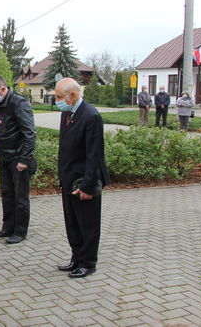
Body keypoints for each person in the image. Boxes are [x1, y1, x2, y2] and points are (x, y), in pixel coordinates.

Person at [55, 78, 110, 278]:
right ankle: (76, 258)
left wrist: (88, 186)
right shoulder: (67, 113)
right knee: (73, 223)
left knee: (88, 224)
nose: (57, 100)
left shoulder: (91, 116)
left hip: (84, 181)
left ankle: (88, 263)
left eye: (59, 96)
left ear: (73, 95)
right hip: (69, 179)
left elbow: (94, 155)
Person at [0, 76, 37, 244]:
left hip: (18, 158)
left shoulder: (19, 103)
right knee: (7, 194)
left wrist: (25, 159)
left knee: (20, 196)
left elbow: (29, 133)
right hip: (5, 156)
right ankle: (7, 227)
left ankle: (20, 232)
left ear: (3, 88)